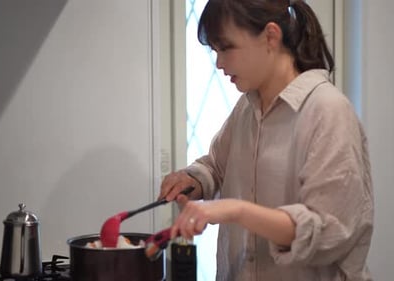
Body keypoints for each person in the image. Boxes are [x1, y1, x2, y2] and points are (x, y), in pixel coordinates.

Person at [158, 0, 374, 280]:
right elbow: (215, 167)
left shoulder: (327, 110)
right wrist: (194, 180)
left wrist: (236, 210)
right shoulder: (246, 109)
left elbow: (329, 230)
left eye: (226, 48)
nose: (219, 63)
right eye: (215, 50)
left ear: (271, 36)